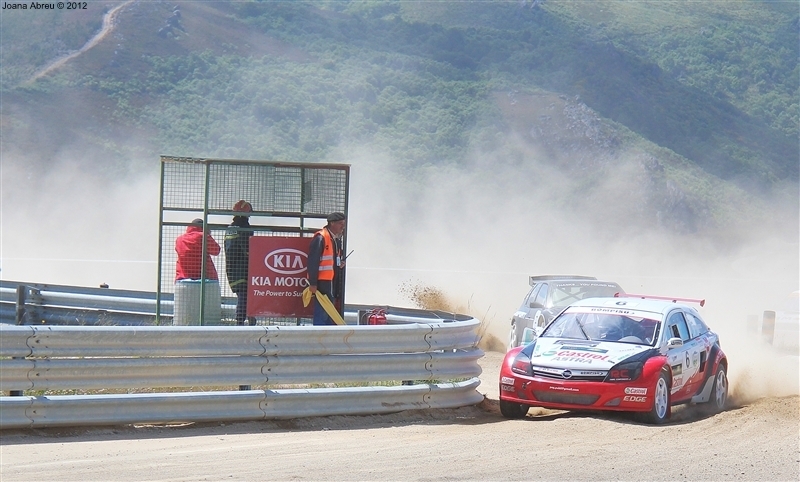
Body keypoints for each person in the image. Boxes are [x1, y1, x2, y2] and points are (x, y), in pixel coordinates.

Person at [307, 212, 346, 325]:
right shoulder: (321, 237)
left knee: (327, 312)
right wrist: (313, 283)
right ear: (332, 223)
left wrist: (339, 265)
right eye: (340, 223)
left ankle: (325, 333)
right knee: (322, 312)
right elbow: (313, 262)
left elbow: (331, 260)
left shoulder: (335, 239)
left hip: (331, 282)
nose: (343, 226)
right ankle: (319, 333)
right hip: (322, 284)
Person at [225, 200, 255, 326]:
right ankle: (241, 322)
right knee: (245, 294)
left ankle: (248, 319)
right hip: (243, 269)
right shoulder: (244, 227)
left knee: (243, 294)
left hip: (232, 268)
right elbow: (248, 249)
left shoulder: (230, 228)